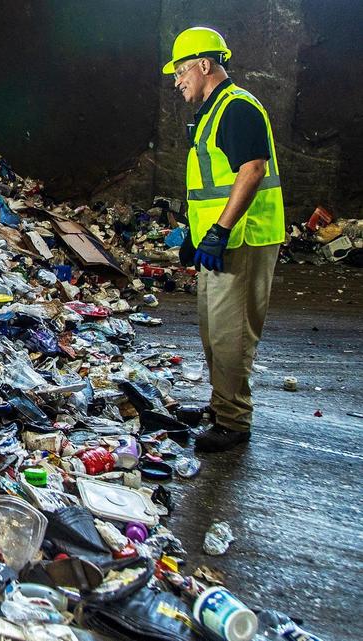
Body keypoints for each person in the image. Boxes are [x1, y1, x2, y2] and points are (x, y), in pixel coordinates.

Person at [163, 27, 285, 452]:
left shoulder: (236, 108)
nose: (177, 81)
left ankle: (234, 421)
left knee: (232, 334)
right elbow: (213, 185)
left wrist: (219, 230)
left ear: (204, 64)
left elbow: (251, 170)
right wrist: (196, 236)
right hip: (220, 242)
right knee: (214, 330)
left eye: (180, 71)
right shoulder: (212, 112)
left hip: (244, 240)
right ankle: (220, 406)